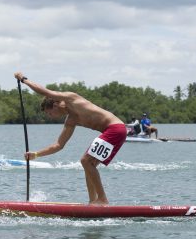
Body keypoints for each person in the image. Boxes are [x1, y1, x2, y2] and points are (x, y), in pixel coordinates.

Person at [14, 72, 127, 205]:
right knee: (89, 165)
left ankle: (102, 199)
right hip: (114, 131)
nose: (51, 116)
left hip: (115, 128)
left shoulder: (70, 98)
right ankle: (93, 201)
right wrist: (36, 154)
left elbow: (44, 91)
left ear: (55, 105)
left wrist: (23, 80)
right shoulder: (71, 120)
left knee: (86, 161)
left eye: (49, 113)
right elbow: (59, 145)